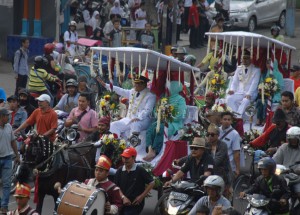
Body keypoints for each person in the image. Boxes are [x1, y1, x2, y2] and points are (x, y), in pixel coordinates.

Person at [97, 71, 156, 142]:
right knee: (113, 125)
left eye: (136, 84)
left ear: (142, 84)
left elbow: (147, 110)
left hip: (143, 120)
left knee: (135, 125)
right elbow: (121, 91)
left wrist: (138, 117)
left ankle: (134, 145)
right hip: (129, 119)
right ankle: (117, 143)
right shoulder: (133, 91)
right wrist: (106, 85)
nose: (134, 85)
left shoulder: (151, 95)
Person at [143, 81, 187, 161]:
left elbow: (181, 115)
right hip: (161, 121)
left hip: (174, 123)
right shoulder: (165, 98)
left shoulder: (181, 100)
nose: (169, 89)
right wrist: (159, 114)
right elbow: (155, 111)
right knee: (150, 130)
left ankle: (155, 151)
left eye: (171, 87)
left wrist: (168, 115)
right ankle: (150, 150)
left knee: (160, 129)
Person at [115, 147, 155, 215]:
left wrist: (141, 197)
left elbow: (152, 182)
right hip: (122, 202)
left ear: (134, 158)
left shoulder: (140, 170)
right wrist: (123, 197)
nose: (124, 160)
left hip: (135, 204)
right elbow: (116, 186)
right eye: (123, 157)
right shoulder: (120, 170)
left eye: (127, 158)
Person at [226, 50, 261, 118]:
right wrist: (232, 90)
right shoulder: (239, 68)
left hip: (251, 93)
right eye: (243, 58)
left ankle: (238, 117)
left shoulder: (256, 70)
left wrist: (249, 94)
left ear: (250, 59)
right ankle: (235, 116)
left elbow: (254, 83)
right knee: (229, 98)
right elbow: (235, 81)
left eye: (246, 58)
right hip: (240, 92)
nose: (244, 60)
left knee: (245, 101)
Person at [0, 108, 20, 213]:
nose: (9, 117)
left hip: (7, 158)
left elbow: (13, 142)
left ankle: (4, 206)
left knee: (7, 184)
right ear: (2, 117)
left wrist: (17, 156)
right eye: (7, 115)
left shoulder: (9, 127)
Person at [273, 126, 300, 201]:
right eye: (291, 139)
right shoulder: (283, 147)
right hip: (282, 175)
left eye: (295, 139)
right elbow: (275, 160)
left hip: (297, 178)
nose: (293, 141)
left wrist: (297, 170)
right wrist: (269, 164)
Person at [206, 124, 232, 198]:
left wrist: (206, 165)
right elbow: (195, 154)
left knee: (224, 201)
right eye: (208, 134)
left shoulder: (223, 145)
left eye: (212, 135)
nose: (209, 137)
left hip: (223, 177)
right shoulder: (206, 144)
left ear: (218, 135)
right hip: (210, 176)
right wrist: (180, 160)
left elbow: (216, 161)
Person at [256, 59, 284, 126]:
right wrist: (263, 89)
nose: (268, 65)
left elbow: (281, 86)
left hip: (275, 94)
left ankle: (265, 119)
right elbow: (261, 83)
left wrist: (272, 89)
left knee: (266, 102)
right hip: (265, 94)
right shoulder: (264, 73)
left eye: (270, 63)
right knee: (259, 101)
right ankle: (258, 118)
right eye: (267, 63)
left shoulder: (279, 74)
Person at [219, 111, 241, 177]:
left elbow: (236, 153)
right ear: (221, 120)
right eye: (225, 119)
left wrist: (237, 169)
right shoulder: (216, 130)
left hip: (228, 166)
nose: (227, 121)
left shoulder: (235, 134)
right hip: (216, 164)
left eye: (229, 120)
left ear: (231, 121)